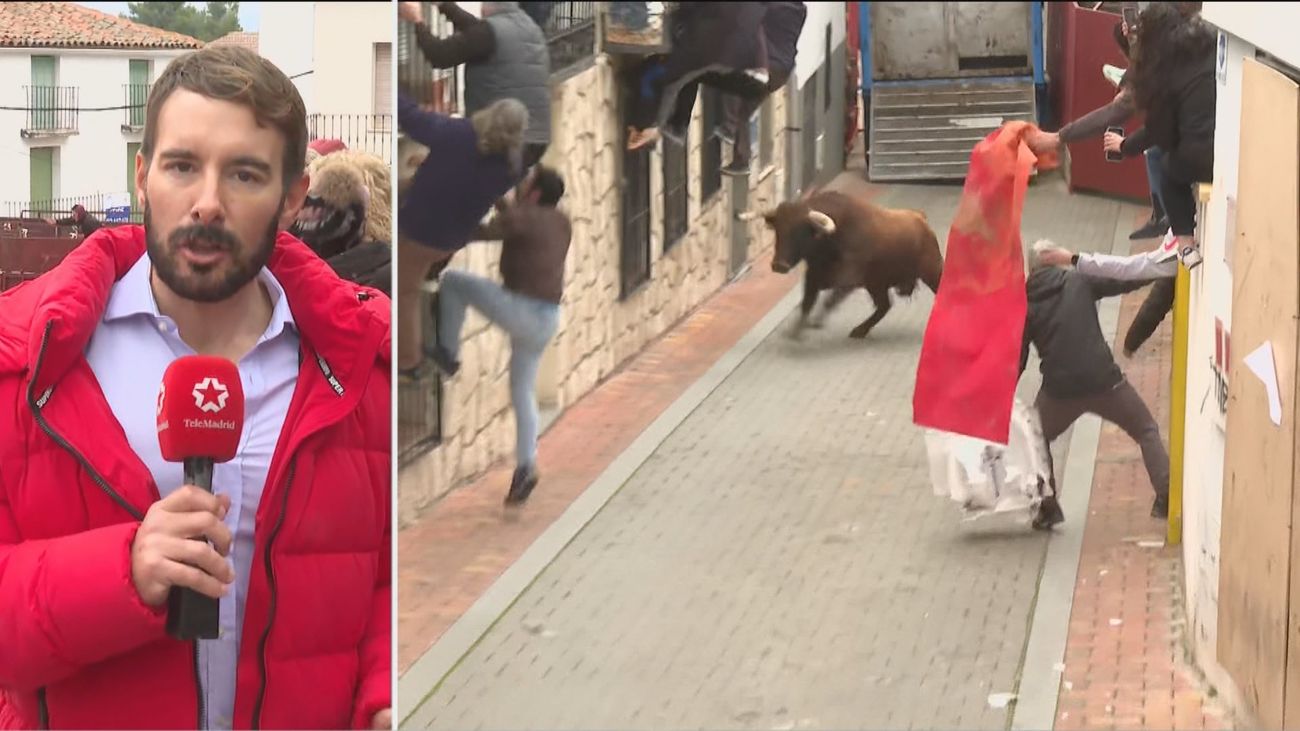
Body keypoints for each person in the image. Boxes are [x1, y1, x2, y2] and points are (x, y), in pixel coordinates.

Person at [0, 46, 391, 729]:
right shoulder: (26, 364)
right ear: (144, 177)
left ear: (293, 197)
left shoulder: (362, 368)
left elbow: (391, 584)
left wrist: (389, 693)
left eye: (244, 174)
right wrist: (122, 571)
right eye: (183, 167)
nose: (208, 203)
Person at [430, 166, 571, 506]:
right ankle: (526, 466)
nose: (521, 187)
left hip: (523, 310)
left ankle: (447, 353)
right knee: (523, 391)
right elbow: (515, 217)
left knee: (453, 283)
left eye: (526, 184)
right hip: (548, 319)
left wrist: (444, 226)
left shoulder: (526, 218)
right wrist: (496, 195)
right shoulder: (560, 221)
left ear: (534, 193)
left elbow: (489, 230)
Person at [1020, 242, 1171, 520]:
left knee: (1035, 439)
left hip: (1059, 391)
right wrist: (1159, 269)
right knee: (1146, 429)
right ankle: (1166, 496)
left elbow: (1017, 357)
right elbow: (1121, 280)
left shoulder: (1025, 303)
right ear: (1057, 262)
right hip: (1105, 381)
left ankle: (1048, 507)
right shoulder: (1079, 281)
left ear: (1031, 269)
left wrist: (1000, 395)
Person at [396, 91, 528, 380]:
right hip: (449, 240)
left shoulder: (457, 134)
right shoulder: (510, 166)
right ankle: (427, 323)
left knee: (404, 291)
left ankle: (408, 362)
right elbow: (465, 177)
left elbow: (411, 119)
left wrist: (397, 94)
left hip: (419, 232)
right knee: (419, 277)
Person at [400, 0, 552, 168]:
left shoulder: (488, 32)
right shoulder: (529, 27)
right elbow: (476, 30)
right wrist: (443, 5)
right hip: (536, 138)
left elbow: (440, 55)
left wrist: (417, 20)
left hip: (502, 141)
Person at [715, 1, 807, 174]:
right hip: (781, 73)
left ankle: (729, 127)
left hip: (766, 66)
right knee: (743, 110)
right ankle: (742, 160)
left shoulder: (774, 8)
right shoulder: (800, 11)